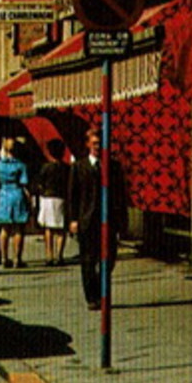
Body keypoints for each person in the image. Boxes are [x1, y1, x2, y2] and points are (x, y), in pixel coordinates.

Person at [67, 126, 129, 310]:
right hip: (87, 221)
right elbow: (73, 196)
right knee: (88, 260)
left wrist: (122, 222)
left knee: (108, 260)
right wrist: (73, 220)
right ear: (88, 145)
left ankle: (103, 293)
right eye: (94, 143)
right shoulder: (79, 167)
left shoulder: (113, 166)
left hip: (108, 221)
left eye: (100, 143)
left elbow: (120, 195)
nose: (97, 147)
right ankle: (92, 297)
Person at [0, 139, 32, 267]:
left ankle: (4, 257)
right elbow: (24, 182)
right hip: (17, 193)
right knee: (18, 228)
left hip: (4, 194)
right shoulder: (21, 166)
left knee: (4, 228)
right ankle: (17, 258)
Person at [34, 138, 72, 265]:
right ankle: (59, 255)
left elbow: (39, 183)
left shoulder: (45, 167)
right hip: (61, 198)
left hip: (47, 198)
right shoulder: (67, 168)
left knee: (48, 229)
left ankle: (49, 255)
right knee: (61, 229)